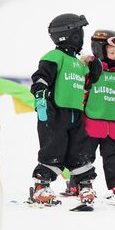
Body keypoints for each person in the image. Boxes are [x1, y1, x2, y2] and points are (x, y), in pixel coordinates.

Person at [29, 13, 97, 205]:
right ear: (71, 34)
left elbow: (91, 80)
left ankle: (85, 184)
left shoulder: (79, 63)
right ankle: (41, 186)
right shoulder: (54, 57)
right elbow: (41, 78)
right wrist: (40, 96)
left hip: (76, 114)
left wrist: (94, 66)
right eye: (80, 31)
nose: (82, 36)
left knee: (80, 149)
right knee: (53, 147)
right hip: (55, 113)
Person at [79, 29, 115, 199]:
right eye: (111, 52)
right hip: (92, 123)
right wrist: (78, 117)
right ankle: (79, 184)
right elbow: (83, 94)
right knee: (84, 156)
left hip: (113, 126)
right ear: (99, 50)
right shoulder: (91, 72)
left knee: (114, 156)